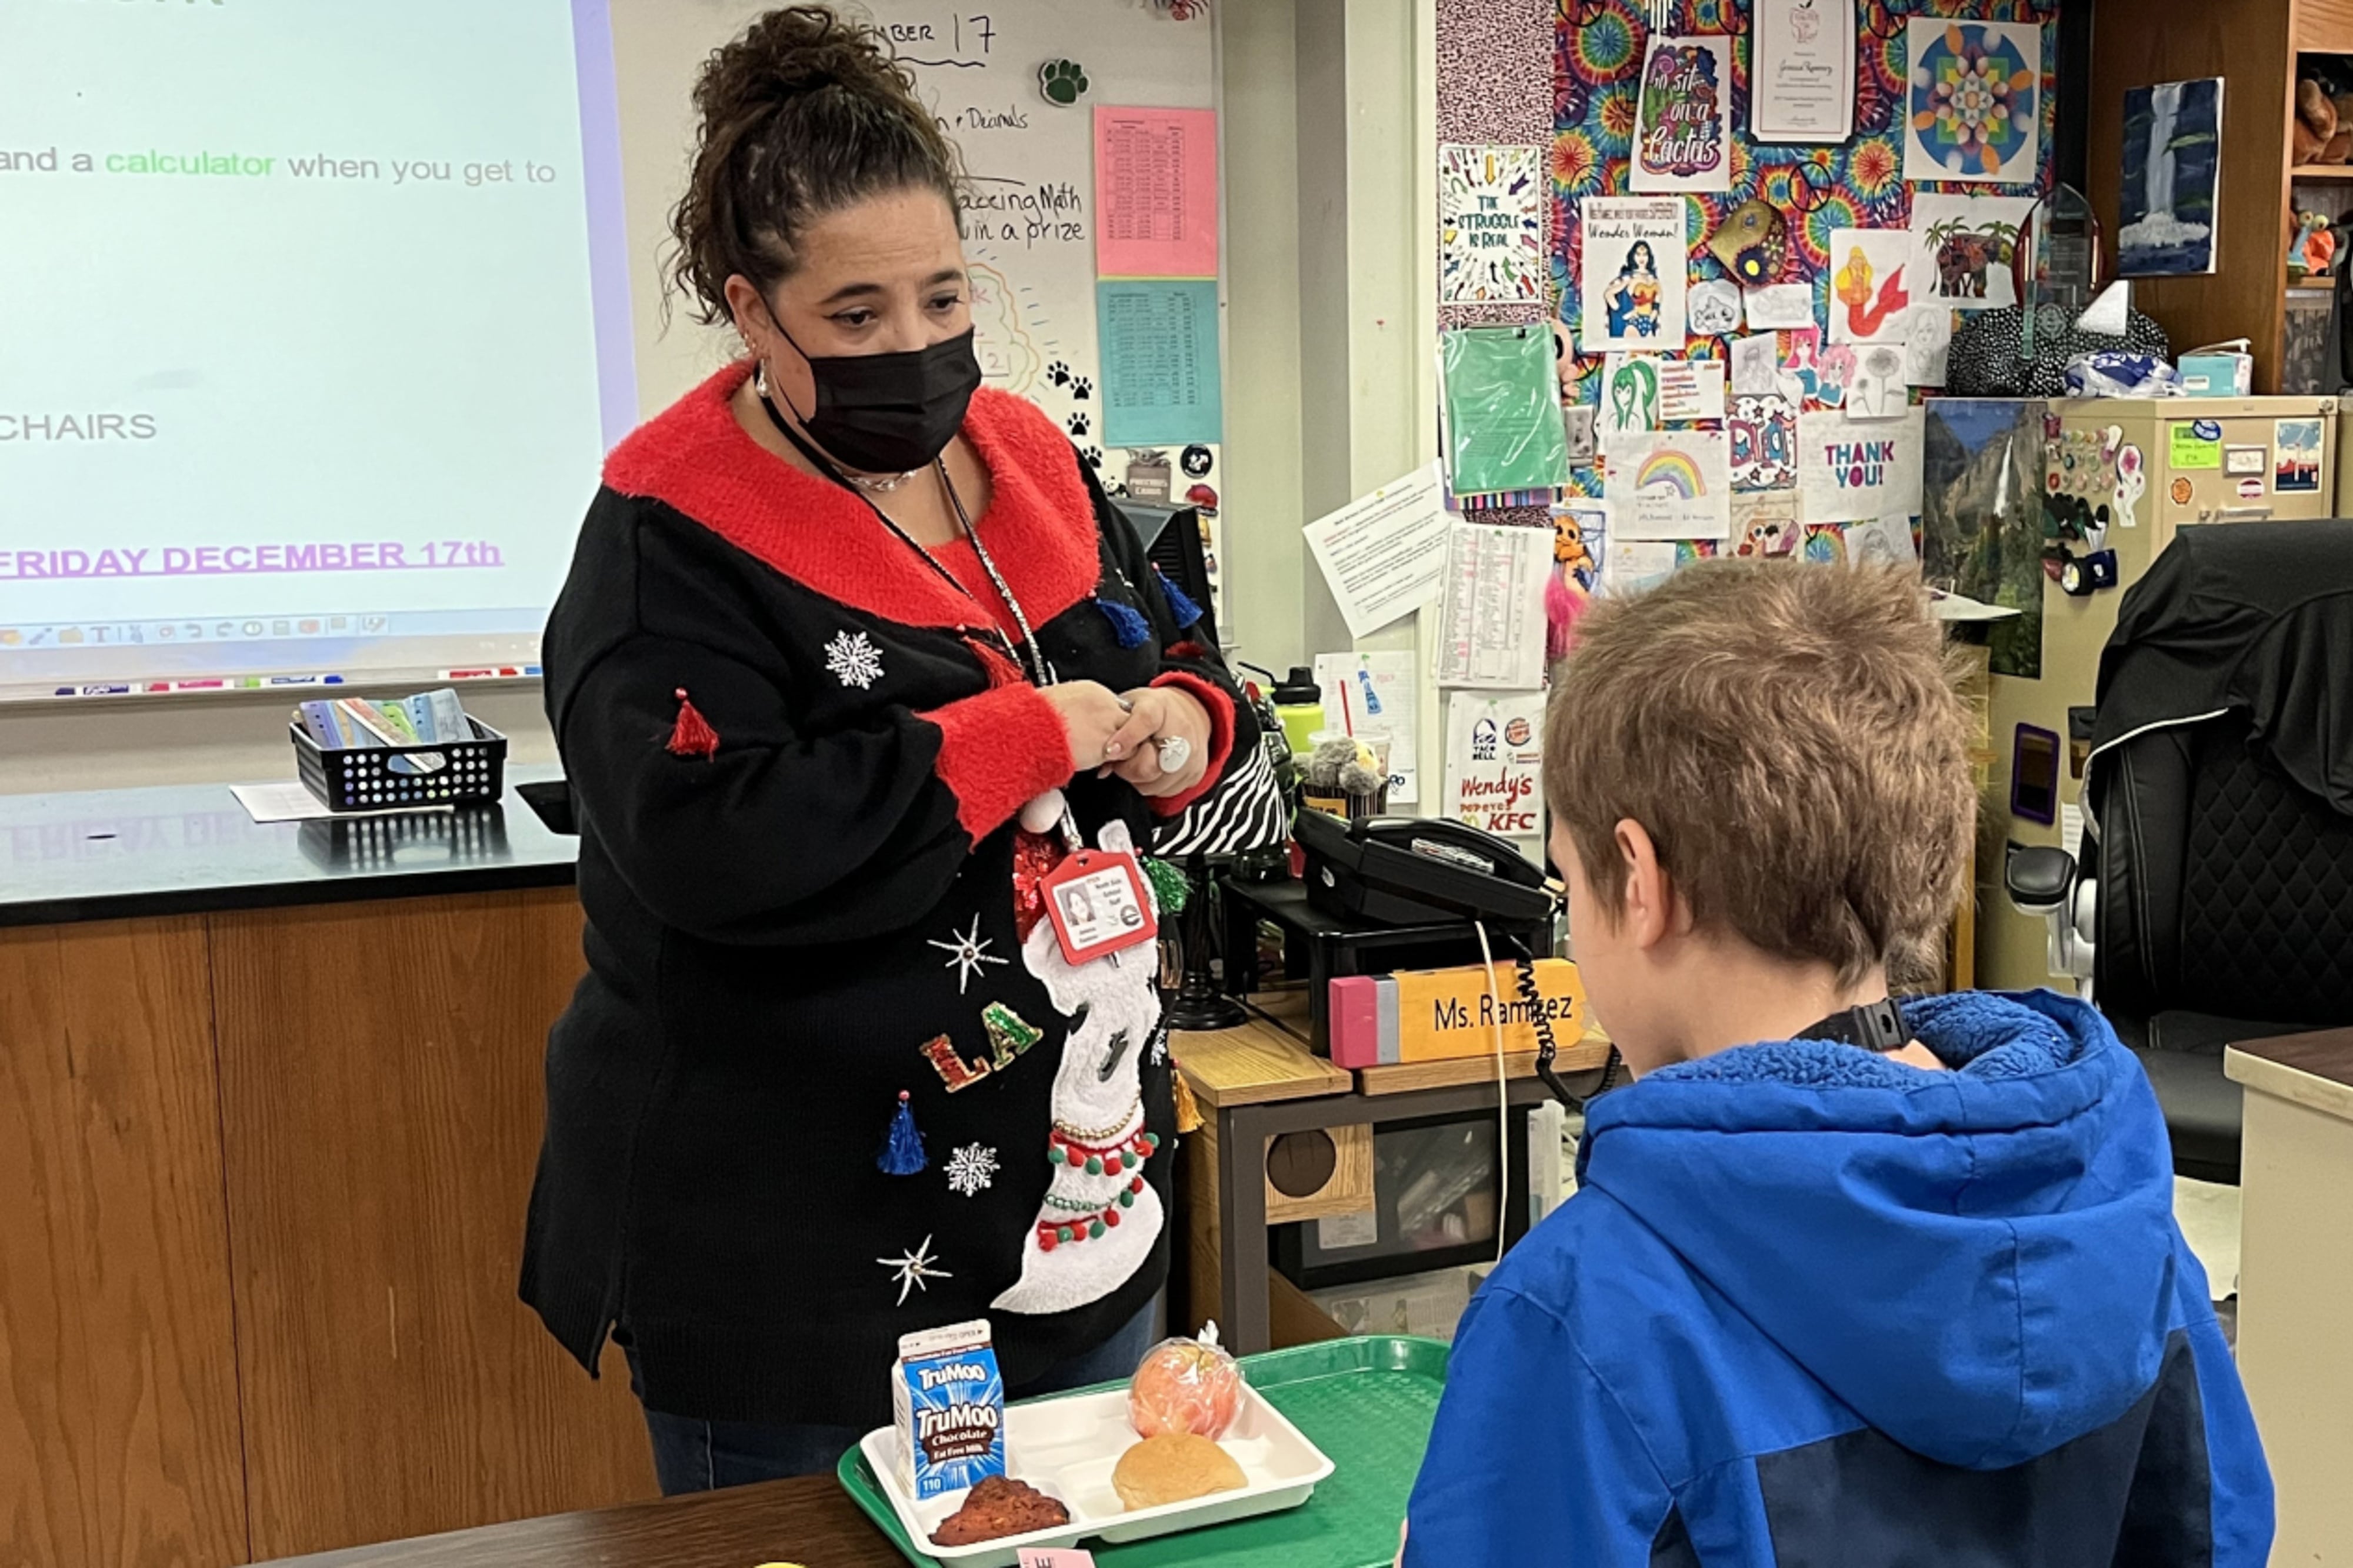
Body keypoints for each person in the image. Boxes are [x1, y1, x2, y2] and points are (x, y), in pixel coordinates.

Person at [521, 4, 1252, 1493]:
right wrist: (1012, 738)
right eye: (854, 318)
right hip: (806, 1274)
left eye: (941, 297)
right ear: (752, 311)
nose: (912, 346)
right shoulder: (671, 537)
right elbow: (710, 840)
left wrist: (1185, 720)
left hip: (1076, 1222)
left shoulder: (1026, 456)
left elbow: (1175, 642)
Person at [1402, 563, 2271, 1564]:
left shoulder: (1581, 1311)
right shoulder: (2125, 1224)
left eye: (1567, 881)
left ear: (1638, 880)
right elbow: (2219, 1528)